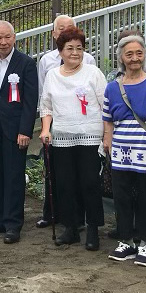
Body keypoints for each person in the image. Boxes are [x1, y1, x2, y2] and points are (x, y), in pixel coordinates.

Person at [103, 34, 146, 267]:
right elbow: (108, 120)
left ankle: (145, 243)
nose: (134, 58)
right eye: (129, 54)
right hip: (121, 155)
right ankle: (126, 241)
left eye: (139, 53)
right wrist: (108, 143)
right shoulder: (112, 88)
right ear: (121, 58)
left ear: (144, 55)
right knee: (121, 199)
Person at [39, 26, 107, 250]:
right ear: (60, 51)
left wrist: (107, 134)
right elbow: (46, 105)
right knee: (65, 184)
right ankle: (69, 228)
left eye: (79, 48)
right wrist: (45, 129)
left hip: (90, 136)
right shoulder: (52, 75)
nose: (75, 52)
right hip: (62, 137)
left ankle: (93, 230)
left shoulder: (93, 73)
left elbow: (106, 106)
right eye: (70, 48)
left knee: (89, 183)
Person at [0, 20, 39, 244]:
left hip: (15, 131)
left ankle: (13, 224)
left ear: (14, 38)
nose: (2, 42)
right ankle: (0, 219)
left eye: (7, 37)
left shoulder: (26, 64)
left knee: (13, 177)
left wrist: (25, 130)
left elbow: (31, 102)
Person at [36, 14, 95, 229]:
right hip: (56, 122)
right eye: (60, 29)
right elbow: (45, 96)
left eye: (69, 28)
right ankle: (51, 213)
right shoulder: (46, 62)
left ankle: (80, 219)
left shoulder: (88, 60)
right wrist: (45, 126)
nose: (64, 32)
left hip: (83, 126)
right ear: (54, 34)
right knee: (54, 170)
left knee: (82, 174)